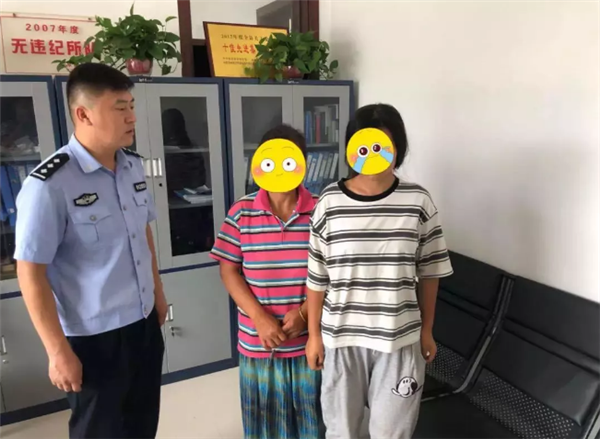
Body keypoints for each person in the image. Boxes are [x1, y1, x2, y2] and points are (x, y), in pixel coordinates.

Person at [14, 63, 167, 439]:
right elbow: (30, 271)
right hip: (93, 338)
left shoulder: (132, 167)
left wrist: (158, 295)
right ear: (83, 114)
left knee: (142, 424)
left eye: (132, 106)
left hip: (143, 324)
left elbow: (142, 234)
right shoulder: (49, 184)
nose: (132, 117)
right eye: (119, 108)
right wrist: (57, 351)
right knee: (98, 431)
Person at [305, 103, 453, 439]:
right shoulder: (329, 202)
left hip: (399, 339)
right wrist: (314, 335)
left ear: (397, 147)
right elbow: (316, 277)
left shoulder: (418, 201)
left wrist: (427, 330)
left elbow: (430, 272)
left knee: (392, 433)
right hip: (341, 339)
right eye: (364, 145)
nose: (373, 155)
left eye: (382, 145)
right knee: (342, 431)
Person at [210, 124, 323, 439]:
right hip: (259, 343)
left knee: (311, 423)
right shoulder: (242, 212)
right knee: (264, 426)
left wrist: (304, 314)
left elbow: (333, 274)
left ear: (302, 163)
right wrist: (259, 318)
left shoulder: (321, 211)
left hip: (309, 343)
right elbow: (228, 270)